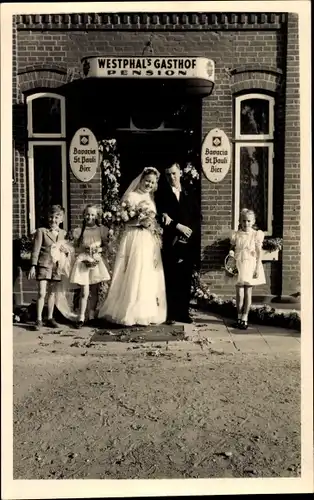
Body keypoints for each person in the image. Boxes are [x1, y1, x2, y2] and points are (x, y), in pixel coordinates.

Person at [98, 167, 167, 326]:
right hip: (133, 236)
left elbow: (152, 220)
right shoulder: (131, 196)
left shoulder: (150, 198)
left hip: (147, 238)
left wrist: (151, 224)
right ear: (141, 180)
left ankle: (144, 312)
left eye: (152, 182)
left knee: (146, 273)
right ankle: (127, 310)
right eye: (146, 181)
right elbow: (123, 219)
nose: (148, 184)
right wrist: (137, 217)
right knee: (132, 270)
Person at [155, 162, 199, 324]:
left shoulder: (190, 191)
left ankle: (184, 313)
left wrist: (189, 231)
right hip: (171, 240)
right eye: (168, 174)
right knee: (172, 278)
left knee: (185, 278)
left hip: (188, 241)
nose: (171, 177)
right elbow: (162, 218)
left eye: (173, 173)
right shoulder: (162, 194)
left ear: (180, 172)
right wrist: (178, 227)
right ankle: (171, 314)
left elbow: (197, 216)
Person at [70, 205, 110, 328]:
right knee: (84, 291)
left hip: (96, 261)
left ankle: (92, 315)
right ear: (83, 215)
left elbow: (107, 246)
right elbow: (75, 247)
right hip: (84, 261)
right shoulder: (79, 231)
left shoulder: (101, 230)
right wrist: (83, 249)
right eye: (87, 214)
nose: (90, 217)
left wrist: (99, 249)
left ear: (96, 216)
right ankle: (81, 317)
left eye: (92, 215)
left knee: (95, 290)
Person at [28, 205, 67, 331]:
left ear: (61, 219)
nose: (53, 220)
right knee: (41, 292)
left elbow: (67, 251)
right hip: (44, 265)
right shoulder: (41, 231)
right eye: (51, 217)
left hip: (56, 267)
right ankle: (38, 319)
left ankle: (50, 318)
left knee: (52, 293)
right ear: (47, 218)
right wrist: (33, 266)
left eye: (56, 217)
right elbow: (36, 250)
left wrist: (66, 251)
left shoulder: (63, 233)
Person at [228, 208, 266, 330]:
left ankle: (245, 318)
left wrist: (257, 268)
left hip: (250, 264)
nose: (246, 223)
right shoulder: (236, 235)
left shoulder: (256, 235)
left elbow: (260, 253)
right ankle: (238, 317)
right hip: (239, 263)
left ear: (253, 221)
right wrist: (231, 254)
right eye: (244, 221)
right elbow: (232, 248)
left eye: (249, 221)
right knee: (239, 293)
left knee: (248, 292)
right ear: (240, 221)